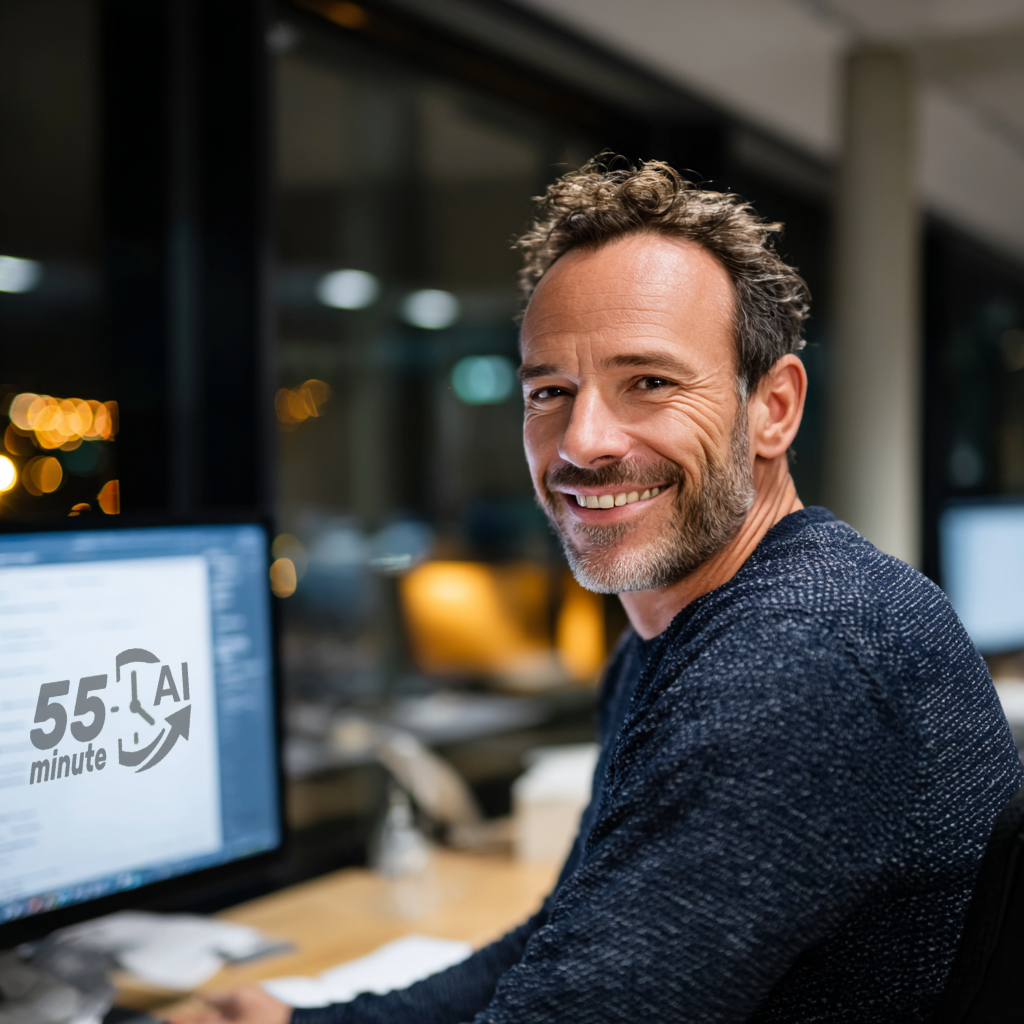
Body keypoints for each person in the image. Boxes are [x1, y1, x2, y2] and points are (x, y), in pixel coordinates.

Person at [177, 159, 1022, 1024]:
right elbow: (565, 945)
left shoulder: (794, 659)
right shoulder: (679, 636)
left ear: (773, 407)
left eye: (648, 383)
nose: (582, 442)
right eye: (550, 391)